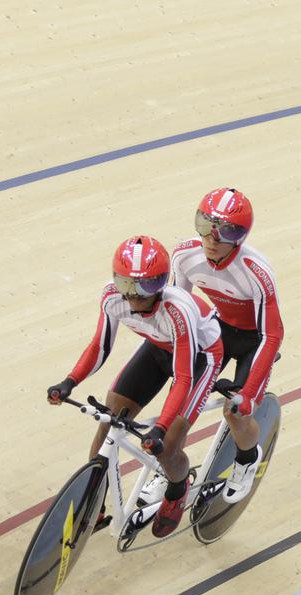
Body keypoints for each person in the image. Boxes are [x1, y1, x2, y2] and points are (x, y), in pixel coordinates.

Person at [46, 235, 223, 537]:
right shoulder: (112, 297)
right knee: (109, 415)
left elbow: (183, 378)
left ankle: (178, 488)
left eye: (145, 287)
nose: (134, 297)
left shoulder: (177, 310)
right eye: (127, 285)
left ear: (162, 283)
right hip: (157, 347)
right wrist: (69, 381)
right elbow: (99, 346)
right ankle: (94, 500)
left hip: (199, 358)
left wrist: (161, 428)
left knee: (167, 446)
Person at [170, 188, 283, 504]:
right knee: (180, 403)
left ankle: (247, 459)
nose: (212, 238)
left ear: (240, 237)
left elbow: (272, 335)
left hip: (254, 341)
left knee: (234, 412)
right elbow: (180, 310)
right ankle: (169, 468)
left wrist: (247, 396)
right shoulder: (184, 255)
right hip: (219, 330)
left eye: (225, 231)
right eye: (205, 225)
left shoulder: (256, 273)